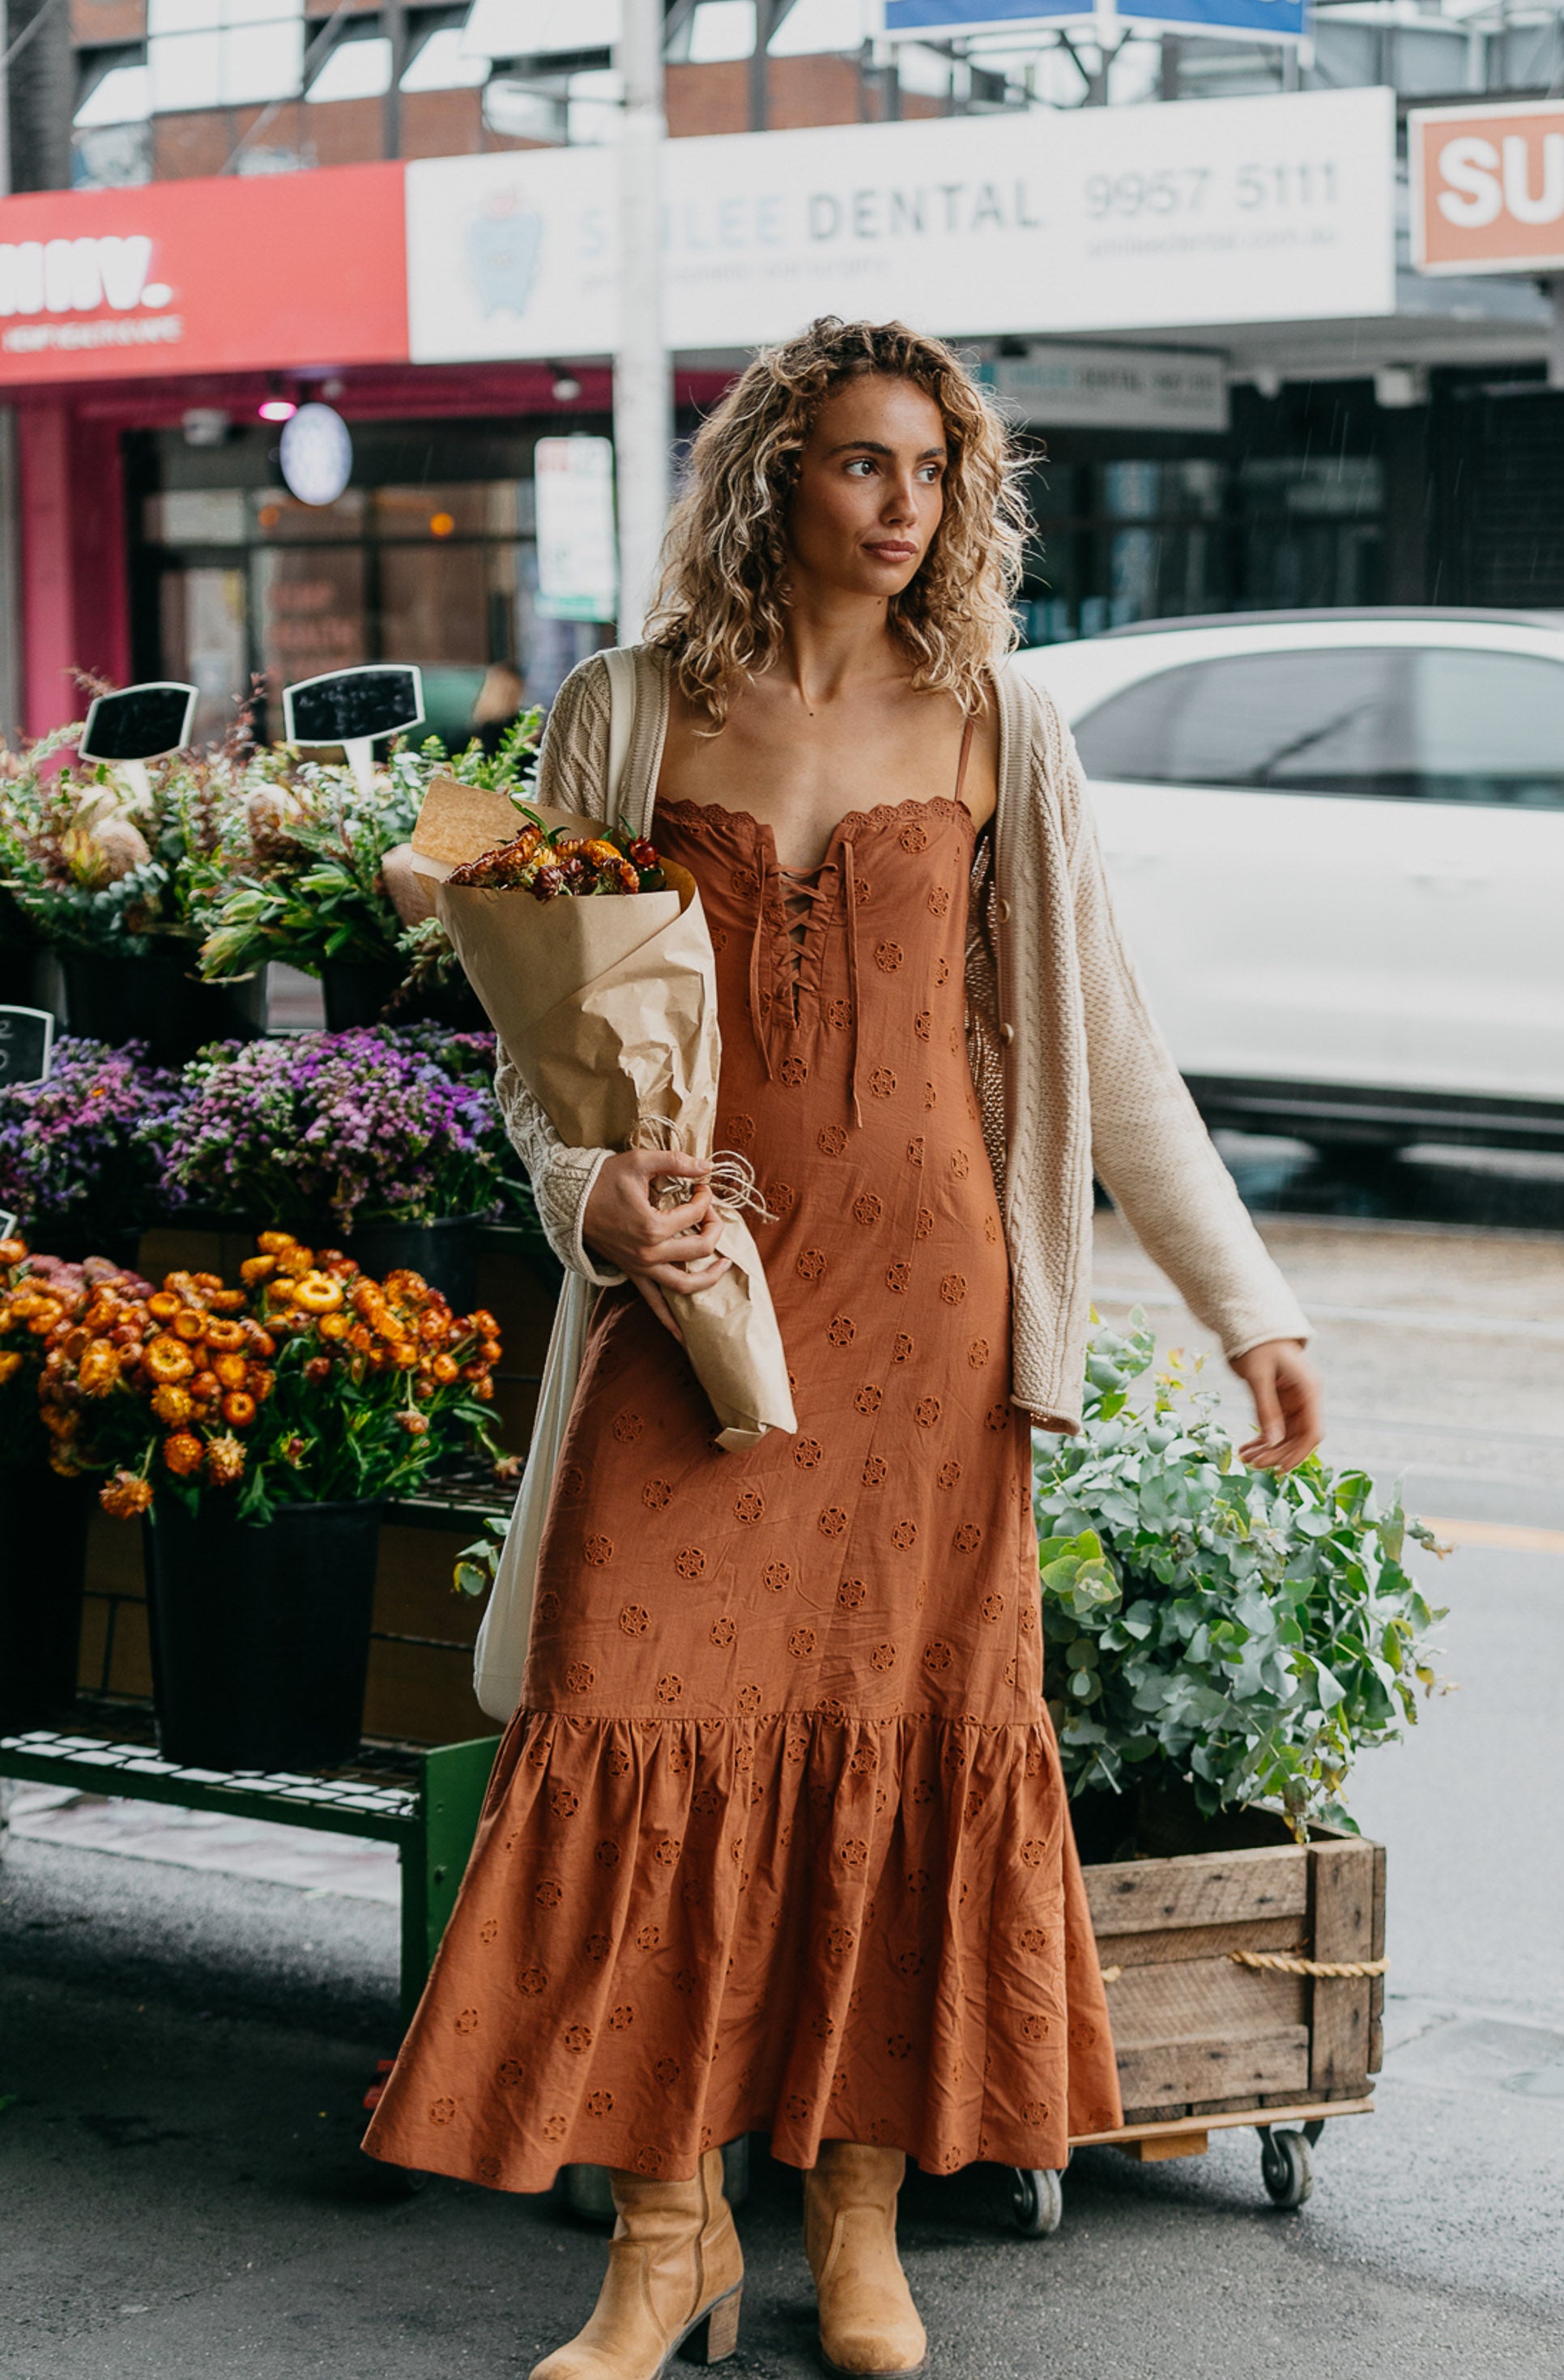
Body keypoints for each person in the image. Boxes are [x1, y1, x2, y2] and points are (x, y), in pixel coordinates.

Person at [364, 317, 1321, 2380]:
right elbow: (539, 1048)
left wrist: (1252, 1311)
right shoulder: (625, 715)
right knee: (622, 1714)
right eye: (867, 466)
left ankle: (864, 2217)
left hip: (926, 1326)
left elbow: (1108, 1049)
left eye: (935, 474)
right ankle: (663, 2234)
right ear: (773, 474)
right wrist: (587, 1202)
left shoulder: (999, 727)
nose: (909, 510)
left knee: (895, 1751)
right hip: (685, 1308)